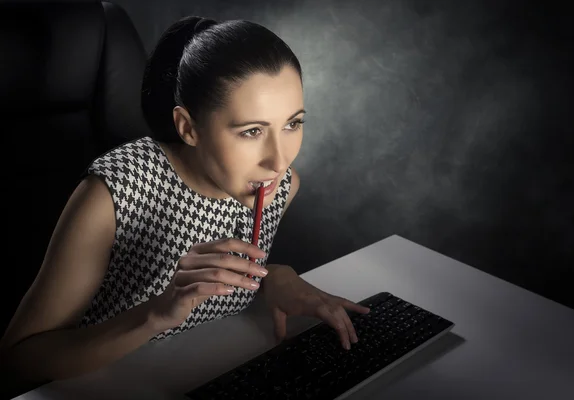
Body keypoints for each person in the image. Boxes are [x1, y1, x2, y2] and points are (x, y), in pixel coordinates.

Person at [0, 16, 370, 390]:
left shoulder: (281, 187)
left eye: (292, 124)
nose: (279, 161)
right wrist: (156, 315)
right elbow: (16, 362)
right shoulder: (115, 192)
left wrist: (273, 277)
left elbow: (218, 295)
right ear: (188, 127)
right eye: (252, 131)